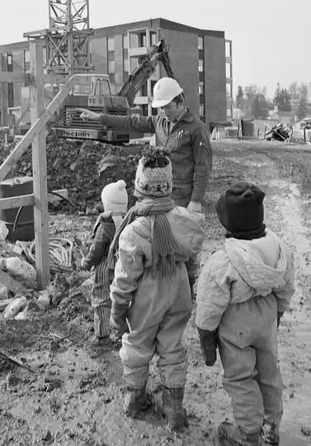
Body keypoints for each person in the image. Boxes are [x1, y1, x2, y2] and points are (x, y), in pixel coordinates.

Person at [109, 147, 205, 432]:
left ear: (140, 187)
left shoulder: (134, 229)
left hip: (147, 295)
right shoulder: (184, 219)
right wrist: (190, 284)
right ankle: (174, 410)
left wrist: (118, 308)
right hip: (179, 288)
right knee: (172, 346)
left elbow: (125, 276)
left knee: (137, 343)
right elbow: (193, 258)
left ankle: (135, 399)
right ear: (169, 185)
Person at [194, 182, 295, 446]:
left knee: (240, 377)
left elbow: (209, 304)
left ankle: (249, 433)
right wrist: (278, 313)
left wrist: (206, 337)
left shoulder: (222, 260)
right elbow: (286, 285)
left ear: (228, 223)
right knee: (269, 373)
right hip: (267, 314)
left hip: (236, 324)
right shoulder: (278, 249)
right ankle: (271, 428)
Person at [78, 77, 212, 213]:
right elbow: (130, 122)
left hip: (182, 197)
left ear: (179, 101)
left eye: (168, 107)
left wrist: (196, 200)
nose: (165, 112)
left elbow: (203, 166)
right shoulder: (159, 122)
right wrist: (100, 117)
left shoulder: (197, 129)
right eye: (161, 108)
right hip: (158, 192)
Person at [79, 179, 128, 345]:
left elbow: (96, 252)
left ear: (107, 204)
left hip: (106, 267)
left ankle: (102, 335)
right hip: (125, 265)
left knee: (101, 299)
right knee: (122, 298)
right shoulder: (129, 221)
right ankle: (122, 332)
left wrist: (86, 263)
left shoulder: (105, 225)